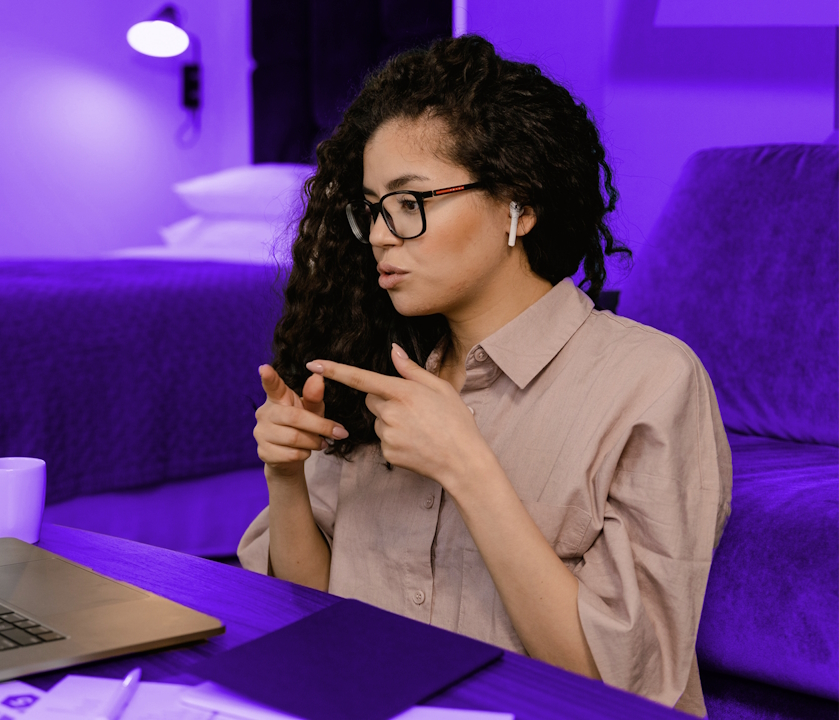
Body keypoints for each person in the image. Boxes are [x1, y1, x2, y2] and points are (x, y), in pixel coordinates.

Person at [238, 35, 731, 716]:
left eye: (410, 203)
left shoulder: (651, 381)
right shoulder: (379, 371)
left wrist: (468, 467)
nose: (381, 233)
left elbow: (625, 690)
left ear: (517, 209)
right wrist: (286, 475)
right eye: (372, 207)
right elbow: (321, 616)